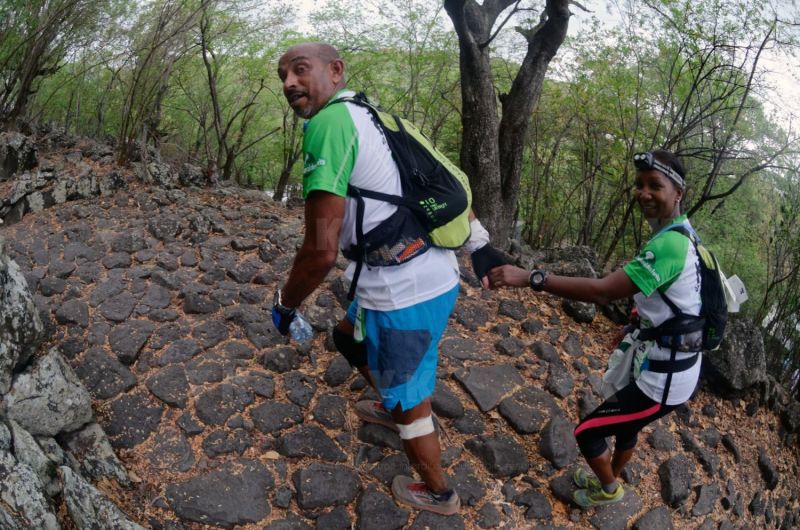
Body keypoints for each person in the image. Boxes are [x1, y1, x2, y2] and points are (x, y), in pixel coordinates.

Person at [273, 42, 505, 516]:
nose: (289, 83)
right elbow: (441, 177)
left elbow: (320, 251)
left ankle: (440, 493)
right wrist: (477, 243)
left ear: (335, 71)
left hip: (405, 291)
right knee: (347, 338)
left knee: (411, 405)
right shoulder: (369, 111)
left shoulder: (329, 124)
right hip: (424, 272)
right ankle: (389, 401)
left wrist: (285, 303)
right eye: (282, 76)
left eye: (300, 70)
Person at [489, 150, 703, 508]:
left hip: (666, 377)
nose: (644, 193)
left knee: (588, 433)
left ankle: (609, 491)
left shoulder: (669, 244)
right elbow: (677, 299)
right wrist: (637, 323)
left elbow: (602, 291)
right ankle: (610, 478)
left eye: (655, 185)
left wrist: (531, 278)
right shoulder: (682, 234)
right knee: (626, 427)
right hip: (665, 359)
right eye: (639, 185)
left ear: (678, 192)